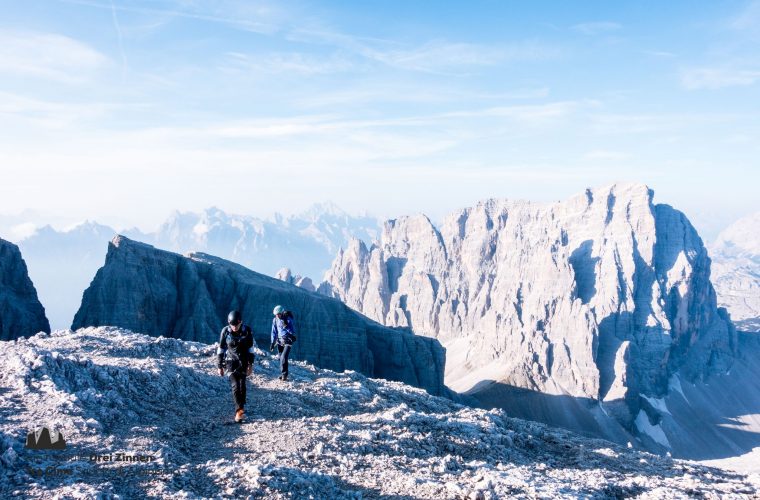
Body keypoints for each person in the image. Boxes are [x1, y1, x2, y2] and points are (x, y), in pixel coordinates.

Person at [217, 310, 255, 422]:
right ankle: (238, 412)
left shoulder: (247, 331)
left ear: (241, 322)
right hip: (230, 362)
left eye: (236, 325)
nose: (234, 327)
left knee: (242, 385)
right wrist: (220, 366)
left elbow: (250, 348)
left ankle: (241, 408)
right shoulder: (225, 331)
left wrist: (250, 365)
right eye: (232, 325)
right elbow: (221, 348)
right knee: (235, 386)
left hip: (243, 362)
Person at [270, 305, 296, 381]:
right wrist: (272, 343)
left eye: (278, 314)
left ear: (282, 313)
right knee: (281, 358)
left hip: (288, 340)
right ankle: (283, 374)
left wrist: (286, 326)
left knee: (283, 357)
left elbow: (292, 330)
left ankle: (284, 375)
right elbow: (274, 332)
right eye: (276, 315)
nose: (277, 316)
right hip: (279, 341)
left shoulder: (288, 319)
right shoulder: (275, 320)